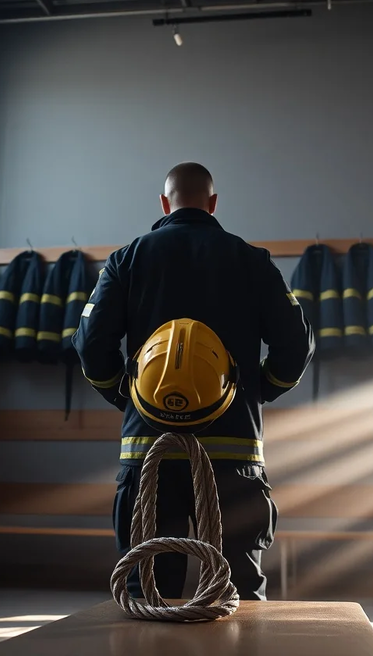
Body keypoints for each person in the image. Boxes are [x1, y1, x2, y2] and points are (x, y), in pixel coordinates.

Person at [72, 162, 315, 601]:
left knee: (148, 594)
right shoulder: (252, 260)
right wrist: (257, 391)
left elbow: (91, 345)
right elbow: (296, 346)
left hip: (149, 450)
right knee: (236, 594)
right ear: (213, 203)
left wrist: (128, 397)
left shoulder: (126, 259)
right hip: (233, 453)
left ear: (164, 203)